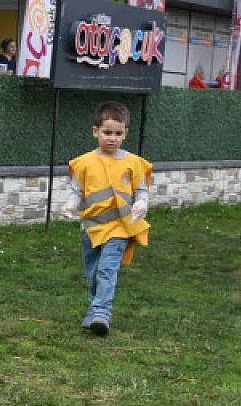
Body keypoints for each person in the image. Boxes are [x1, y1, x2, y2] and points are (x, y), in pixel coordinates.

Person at [62, 101, 152, 336]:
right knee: (93, 272)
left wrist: (142, 203)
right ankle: (94, 310)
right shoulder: (84, 163)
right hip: (91, 228)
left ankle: (102, 312)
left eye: (118, 133)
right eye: (107, 132)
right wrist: (71, 205)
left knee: (106, 269)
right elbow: (76, 191)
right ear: (96, 131)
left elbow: (141, 190)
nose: (112, 138)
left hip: (120, 227)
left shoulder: (133, 163)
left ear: (125, 133)